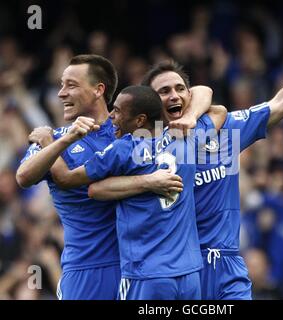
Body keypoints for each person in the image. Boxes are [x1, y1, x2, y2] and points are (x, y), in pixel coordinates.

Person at [86, 14, 283, 300]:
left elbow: (280, 105)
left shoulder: (220, 131)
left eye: (180, 89)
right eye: (163, 92)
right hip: (176, 272)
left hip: (227, 266)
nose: (174, 95)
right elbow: (94, 187)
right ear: (150, 106)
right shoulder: (136, 147)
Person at [15, 55, 190, 300]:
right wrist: (60, 141)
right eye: (61, 85)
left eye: (71, 85)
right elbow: (23, 177)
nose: (61, 93)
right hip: (86, 269)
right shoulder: (55, 138)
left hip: (140, 266)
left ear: (99, 90)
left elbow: (204, 98)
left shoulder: (130, 127)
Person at [29, 85, 225, 300]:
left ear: (140, 121)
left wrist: (49, 142)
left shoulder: (124, 149)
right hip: (189, 275)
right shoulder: (186, 138)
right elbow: (217, 108)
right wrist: (191, 117)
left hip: (146, 274)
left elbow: (69, 180)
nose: (112, 116)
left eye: (118, 111)